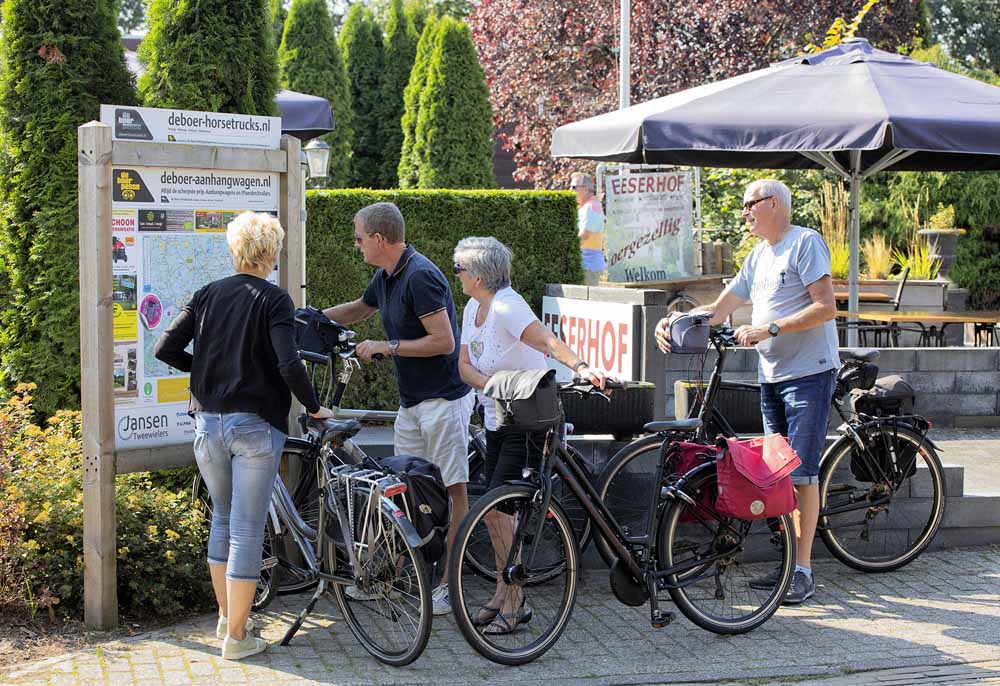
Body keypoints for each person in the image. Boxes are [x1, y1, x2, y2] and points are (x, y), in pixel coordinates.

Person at [155, 212, 334, 660]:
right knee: (249, 529)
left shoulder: (207, 294)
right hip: (254, 425)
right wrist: (313, 406)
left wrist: (206, 372)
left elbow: (165, 348)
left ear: (235, 249)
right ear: (271, 252)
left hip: (207, 423)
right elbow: (289, 363)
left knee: (223, 519)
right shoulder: (275, 300)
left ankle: (227, 618)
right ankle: (238, 638)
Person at [654, 179, 838, 605]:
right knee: (778, 471)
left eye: (748, 205)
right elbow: (718, 309)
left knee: (801, 472)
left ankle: (804, 570)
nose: (743, 213)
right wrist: (672, 322)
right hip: (772, 376)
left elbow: (827, 306)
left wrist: (770, 327)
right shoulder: (758, 256)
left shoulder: (805, 244)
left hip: (809, 374)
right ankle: (788, 563)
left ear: (772, 204)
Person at [322, 202, 473, 616]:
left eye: (358, 238)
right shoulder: (387, 274)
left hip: (445, 400)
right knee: (402, 488)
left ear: (378, 238)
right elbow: (360, 308)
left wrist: (386, 347)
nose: (355, 245)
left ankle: (449, 584)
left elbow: (444, 341)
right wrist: (310, 319)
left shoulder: (421, 275)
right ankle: (392, 573)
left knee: (453, 489)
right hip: (412, 403)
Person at [454, 236, 609, 634]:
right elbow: (464, 365)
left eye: (459, 269)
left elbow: (546, 340)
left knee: (498, 510)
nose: (456, 275)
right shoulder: (474, 306)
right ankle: (504, 592)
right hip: (497, 417)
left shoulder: (508, 306)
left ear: (478, 275)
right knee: (494, 515)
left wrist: (581, 365)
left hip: (527, 420)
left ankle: (515, 599)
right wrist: (492, 386)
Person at [571, 171, 606, 286]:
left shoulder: (591, 207)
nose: (570, 190)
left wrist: (568, 249)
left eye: (574, 187)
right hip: (587, 264)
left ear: (585, 189)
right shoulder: (585, 206)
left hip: (589, 266)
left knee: (588, 301)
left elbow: (584, 234)